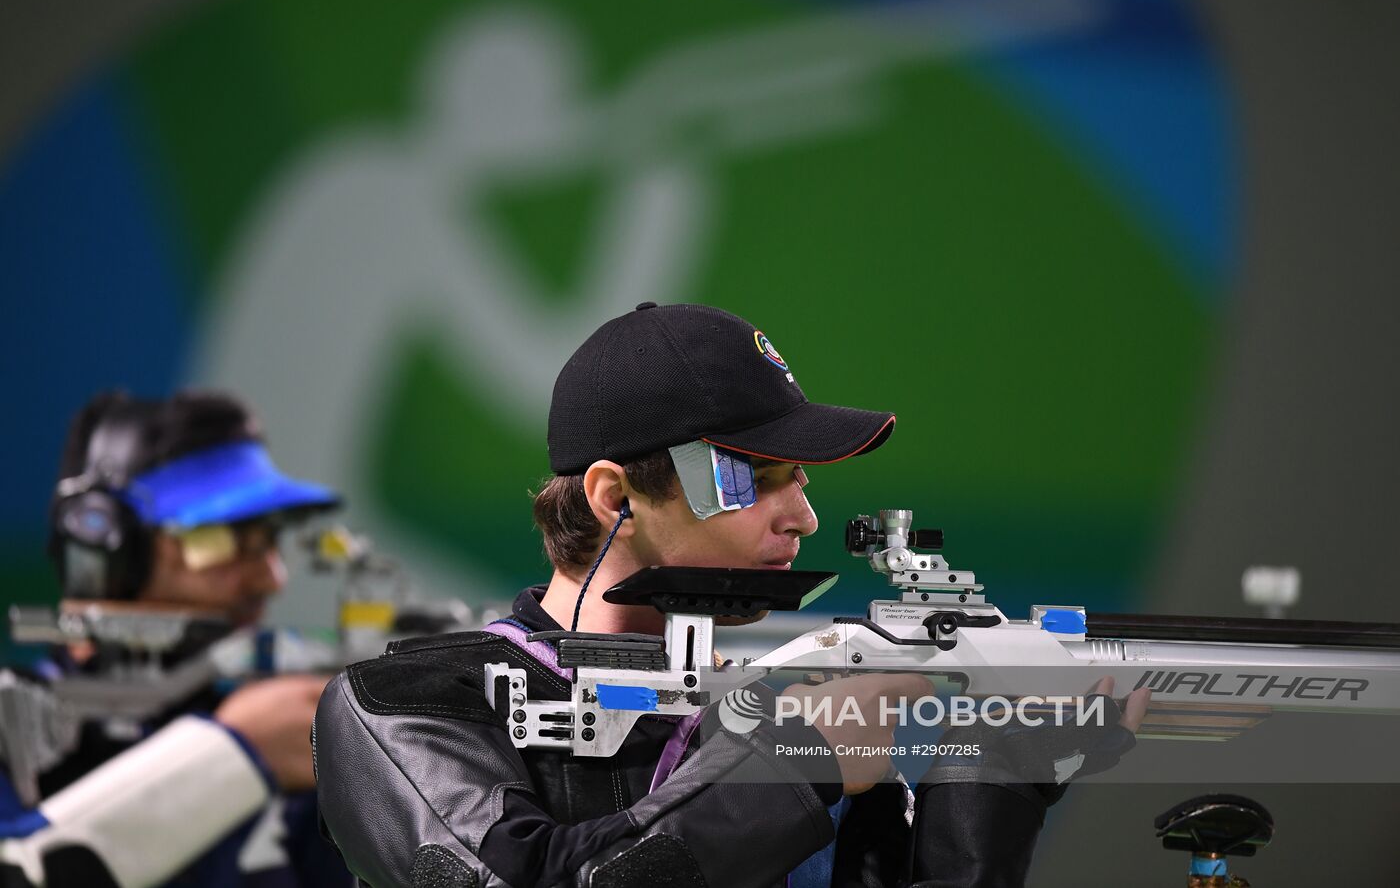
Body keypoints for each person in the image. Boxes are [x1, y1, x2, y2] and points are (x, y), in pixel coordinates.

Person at [313, 303, 1146, 887]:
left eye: (804, 479)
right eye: (757, 474)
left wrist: (994, 777)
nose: (806, 517)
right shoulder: (401, 703)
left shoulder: (773, 708)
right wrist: (793, 767)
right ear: (614, 498)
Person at [0, 390, 354, 888]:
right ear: (103, 552)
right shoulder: (11, 729)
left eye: (270, 539)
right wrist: (238, 755)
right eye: (224, 539)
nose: (271, 578)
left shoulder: (290, 744)